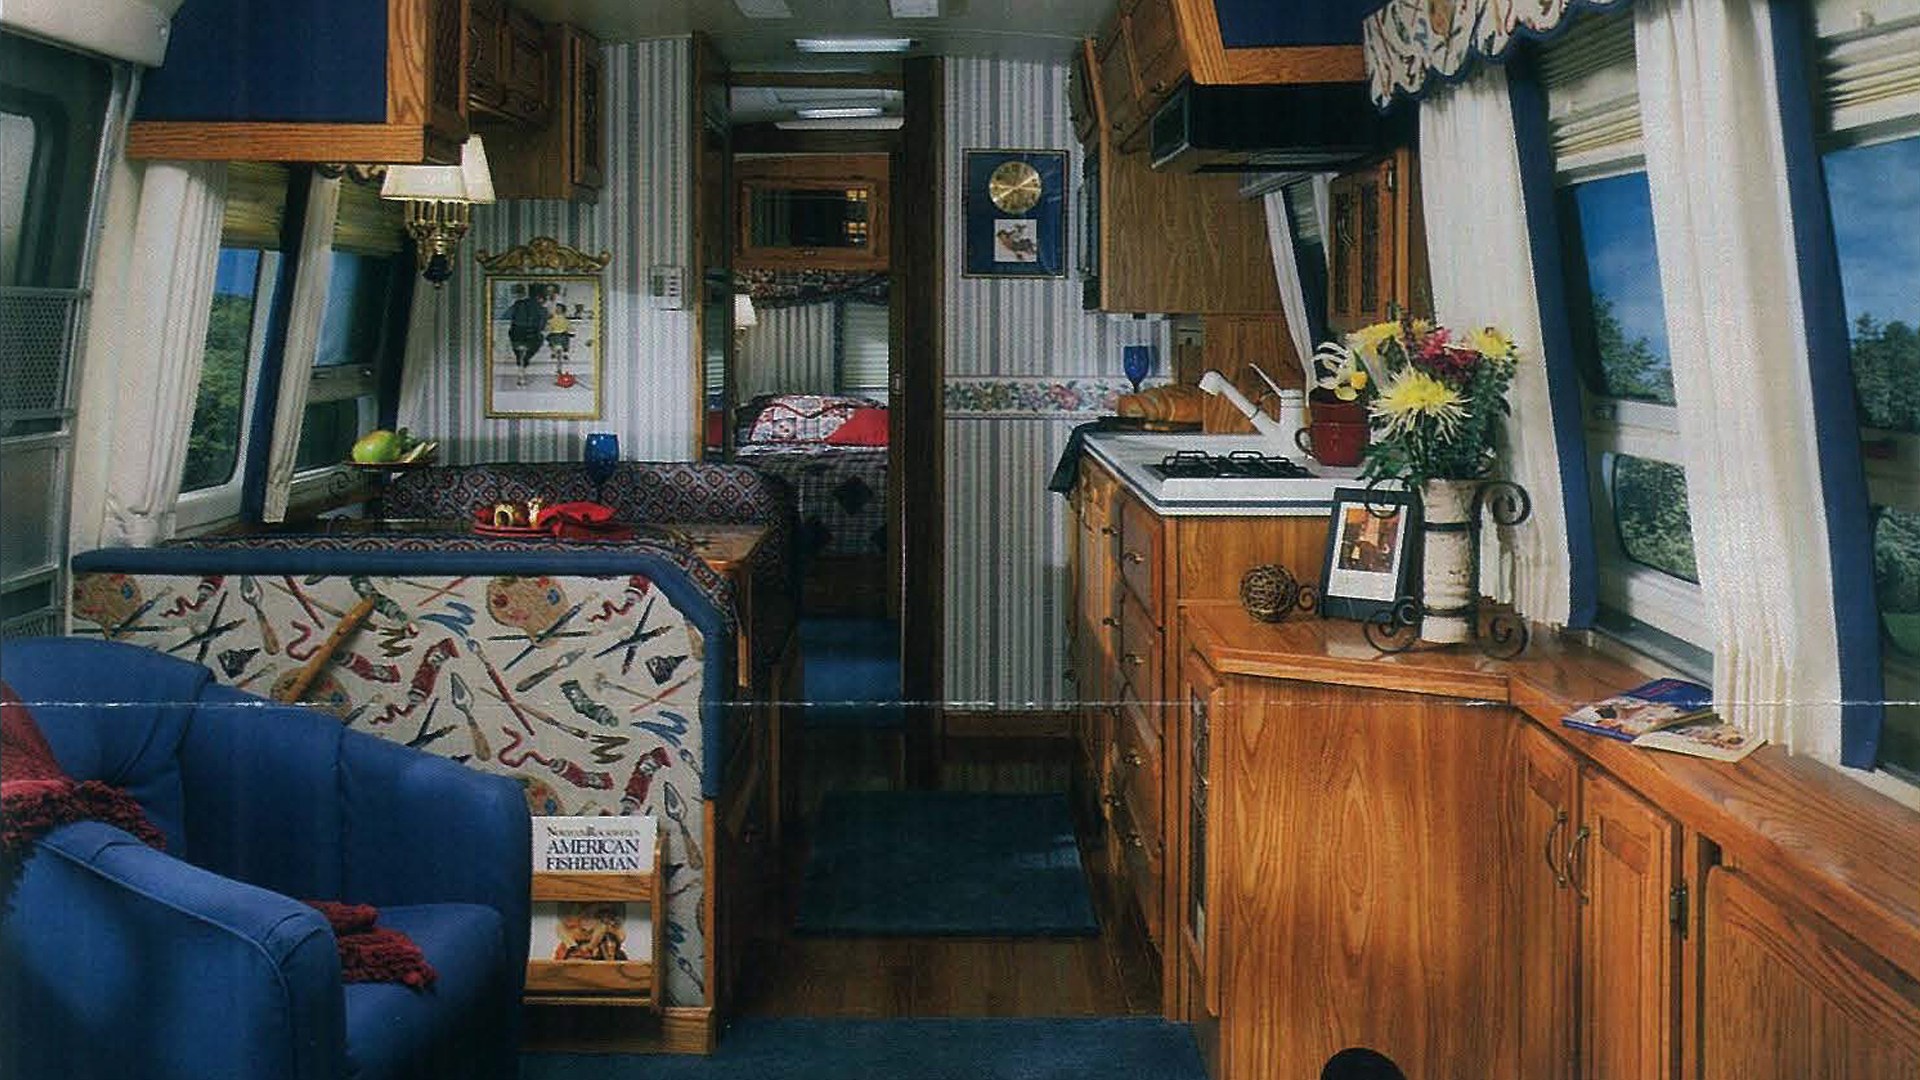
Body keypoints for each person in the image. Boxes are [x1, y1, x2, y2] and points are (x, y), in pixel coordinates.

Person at [506, 284, 548, 387]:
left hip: (516, 334)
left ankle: (520, 360)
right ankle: (525, 359)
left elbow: (507, 315)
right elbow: (542, 325)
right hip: (531, 336)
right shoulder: (541, 308)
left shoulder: (517, 304)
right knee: (540, 340)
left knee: (516, 344)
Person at [544, 287, 574, 380]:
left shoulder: (564, 319)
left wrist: (570, 331)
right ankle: (555, 352)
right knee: (551, 340)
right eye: (548, 292)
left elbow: (569, 327)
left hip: (562, 335)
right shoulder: (552, 317)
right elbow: (548, 327)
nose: (550, 293)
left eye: (551, 291)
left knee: (564, 341)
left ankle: (564, 353)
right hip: (555, 335)